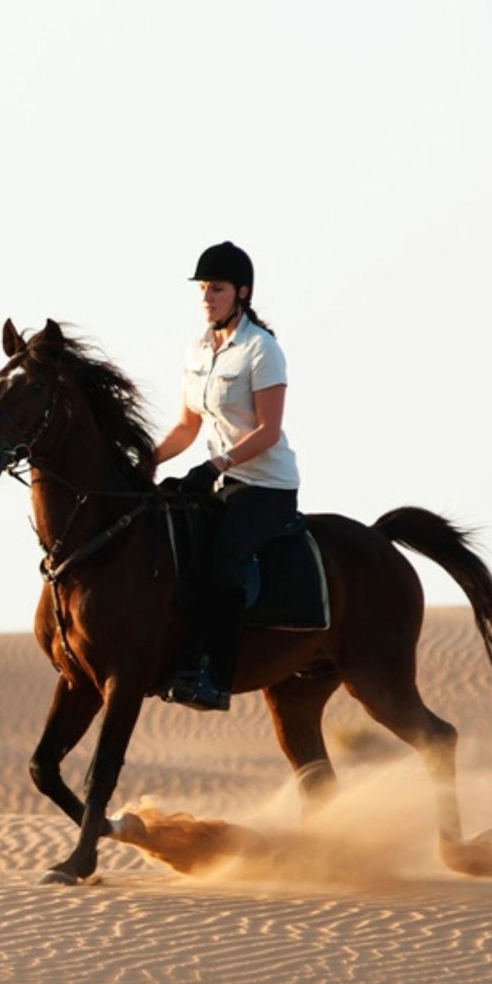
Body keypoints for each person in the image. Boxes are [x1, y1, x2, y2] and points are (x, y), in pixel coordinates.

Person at [152, 241, 300, 711]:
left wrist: (217, 464)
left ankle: (215, 677)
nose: (206, 297)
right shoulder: (197, 351)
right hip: (220, 482)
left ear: (242, 292)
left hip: (266, 487)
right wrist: (145, 462)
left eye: (215, 288)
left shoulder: (262, 350)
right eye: (202, 288)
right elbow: (186, 427)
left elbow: (268, 431)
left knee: (221, 559)